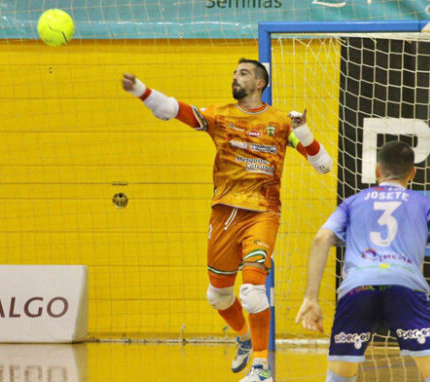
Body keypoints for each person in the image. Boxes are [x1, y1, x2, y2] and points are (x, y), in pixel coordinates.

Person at [122, 58, 333, 382]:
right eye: (234, 73)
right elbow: (174, 110)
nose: (236, 77)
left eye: (244, 73)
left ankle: (262, 370)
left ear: (260, 83)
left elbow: (324, 166)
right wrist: (141, 90)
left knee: (252, 291)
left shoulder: (281, 122)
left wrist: (303, 131)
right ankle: (245, 337)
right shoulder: (220, 115)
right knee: (218, 295)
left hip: (263, 213)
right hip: (223, 212)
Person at [295, 141, 430, 382]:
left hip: (357, 289)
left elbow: (321, 239)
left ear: (377, 170)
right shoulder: (427, 206)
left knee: (339, 377)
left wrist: (310, 298)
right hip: (405, 289)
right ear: (412, 173)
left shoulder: (352, 203)